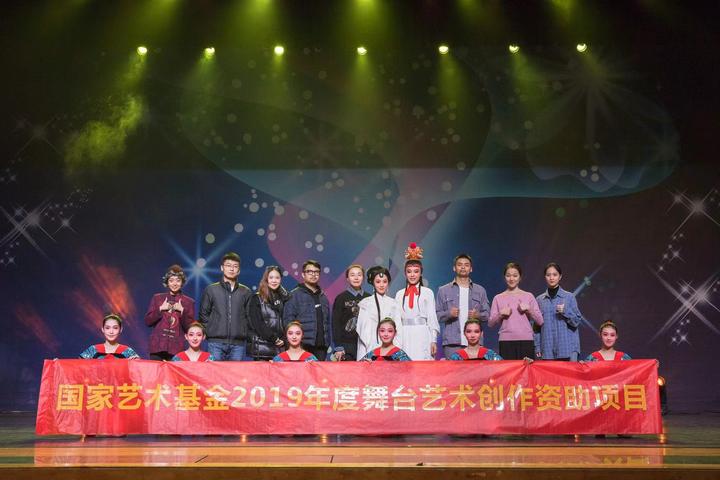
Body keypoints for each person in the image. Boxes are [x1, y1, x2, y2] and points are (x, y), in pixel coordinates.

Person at [199, 252, 252, 361]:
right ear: (222, 268)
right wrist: (211, 331)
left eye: (235, 266)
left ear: (239, 270)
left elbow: (249, 317)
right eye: (228, 265)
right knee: (215, 372)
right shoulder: (211, 289)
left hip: (238, 344)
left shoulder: (246, 291)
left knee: (235, 372)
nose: (232, 269)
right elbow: (203, 314)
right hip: (215, 343)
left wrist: (243, 332)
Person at [436, 253, 490, 359]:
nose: (463, 267)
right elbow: (436, 315)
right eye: (459, 264)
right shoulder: (443, 290)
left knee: (474, 370)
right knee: (453, 370)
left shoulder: (480, 290)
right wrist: (449, 314)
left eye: (466, 265)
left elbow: (487, 315)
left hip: (475, 342)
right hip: (452, 343)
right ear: (454, 268)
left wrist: (477, 315)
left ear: (471, 269)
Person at [489, 262, 544, 360]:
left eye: (515, 275)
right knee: (509, 370)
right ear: (504, 277)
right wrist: (500, 314)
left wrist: (529, 309)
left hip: (526, 340)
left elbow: (540, 321)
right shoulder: (498, 298)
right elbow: (490, 323)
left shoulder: (528, 296)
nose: (511, 279)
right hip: (506, 341)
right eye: (508, 275)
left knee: (526, 369)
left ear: (520, 278)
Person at [395, 242, 439, 360]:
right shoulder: (399, 294)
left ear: (421, 273)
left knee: (422, 364)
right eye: (409, 271)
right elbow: (397, 319)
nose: (412, 275)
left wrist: (433, 340)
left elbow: (432, 318)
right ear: (405, 273)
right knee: (405, 365)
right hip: (404, 334)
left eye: (416, 271)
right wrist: (396, 341)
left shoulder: (428, 292)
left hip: (422, 333)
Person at [143, 264, 196, 361]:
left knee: (174, 371)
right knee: (155, 370)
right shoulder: (158, 298)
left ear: (182, 282)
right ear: (167, 282)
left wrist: (182, 311)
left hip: (176, 348)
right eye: (171, 280)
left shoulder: (188, 302)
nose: (174, 283)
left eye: (178, 280)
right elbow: (148, 322)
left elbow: (190, 329)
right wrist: (160, 309)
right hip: (157, 346)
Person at [282, 260, 332, 360]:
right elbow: (288, 321)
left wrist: (327, 342)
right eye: (309, 271)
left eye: (316, 272)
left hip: (321, 347)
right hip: (302, 346)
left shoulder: (323, 297)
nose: (313, 274)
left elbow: (327, 322)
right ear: (303, 274)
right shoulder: (294, 295)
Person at [535, 263, 584, 361]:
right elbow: (536, 327)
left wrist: (565, 311)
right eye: (548, 275)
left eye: (555, 274)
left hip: (568, 348)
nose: (551, 278)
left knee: (569, 372)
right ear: (545, 277)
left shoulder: (569, 297)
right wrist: (537, 346)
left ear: (560, 276)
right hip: (547, 349)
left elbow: (577, 321)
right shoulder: (539, 300)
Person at [356, 266, 403, 360]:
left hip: (390, 346)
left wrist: (394, 349)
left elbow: (398, 328)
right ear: (373, 283)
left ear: (388, 283)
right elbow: (363, 329)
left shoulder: (394, 304)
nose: (381, 285)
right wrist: (374, 349)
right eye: (378, 282)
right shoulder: (366, 303)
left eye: (384, 282)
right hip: (369, 347)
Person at [248, 266, 290, 361]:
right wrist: (273, 338)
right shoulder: (256, 298)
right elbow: (257, 323)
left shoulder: (285, 298)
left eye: (277, 278)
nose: (274, 281)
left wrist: (284, 338)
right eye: (271, 277)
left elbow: (287, 321)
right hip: (262, 348)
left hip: (281, 348)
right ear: (266, 279)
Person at [332, 264, 370, 361]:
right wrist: (338, 347)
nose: (356, 278)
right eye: (352, 275)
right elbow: (336, 324)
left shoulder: (369, 297)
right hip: (346, 345)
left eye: (359, 275)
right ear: (347, 279)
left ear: (363, 278)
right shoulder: (341, 298)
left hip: (365, 344)